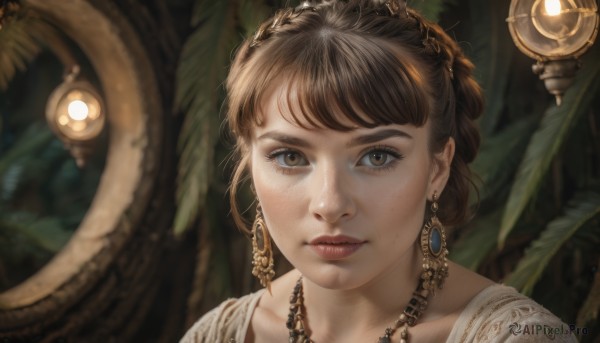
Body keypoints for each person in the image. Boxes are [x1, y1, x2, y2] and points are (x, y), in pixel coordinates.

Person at [181, 0, 576, 342]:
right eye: (290, 156)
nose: (330, 204)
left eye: (377, 157)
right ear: (251, 166)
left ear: (438, 168)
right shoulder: (220, 335)